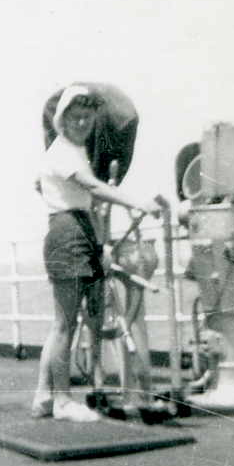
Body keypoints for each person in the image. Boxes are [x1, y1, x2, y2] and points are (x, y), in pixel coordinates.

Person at [32, 84, 162, 422]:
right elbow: (91, 187)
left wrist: (100, 245)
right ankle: (62, 402)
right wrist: (137, 203)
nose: (82, 124)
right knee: (65, 325)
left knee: (64, 323)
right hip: (67, 233)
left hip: (81, 229)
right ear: (62, 119)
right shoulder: (62, 152)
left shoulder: (75, 151)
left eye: (87, 119)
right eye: (75, 117)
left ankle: (44, 396)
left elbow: (85, 199)